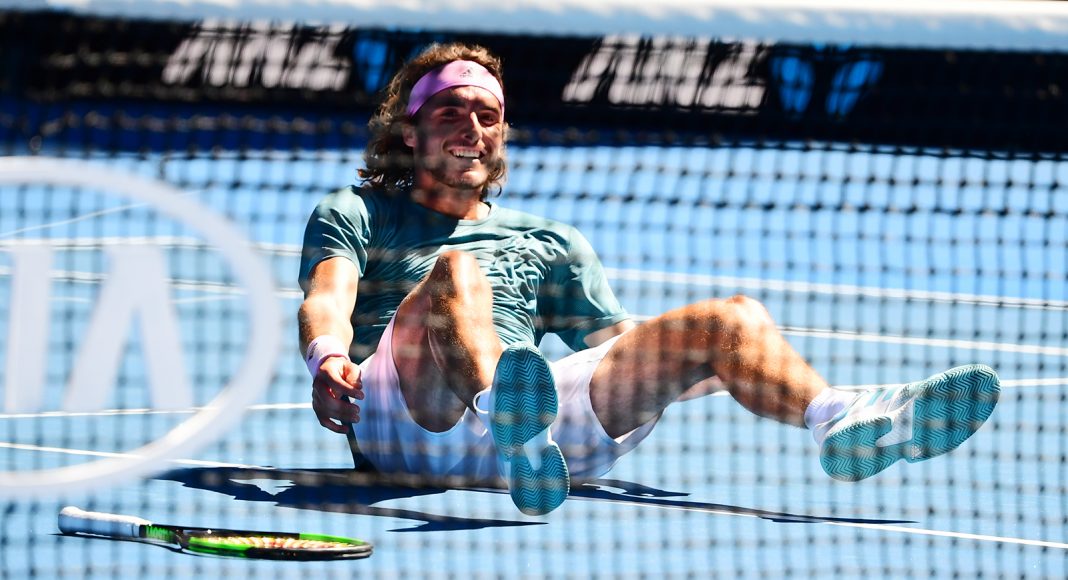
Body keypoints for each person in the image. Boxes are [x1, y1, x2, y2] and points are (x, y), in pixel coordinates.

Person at [297, 42, 1001, 516]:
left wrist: (719, 359)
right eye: (450, 112)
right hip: (409, 419)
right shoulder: (359, 211)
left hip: (543, 446)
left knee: (729, 319)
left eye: (488, 116)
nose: (472, 128)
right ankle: (506, 416)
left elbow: (617, 346)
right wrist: (328, 357)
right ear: (409, 132)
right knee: (458, 271)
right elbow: (328, 297)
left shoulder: (550, 241)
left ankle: (843, 418)